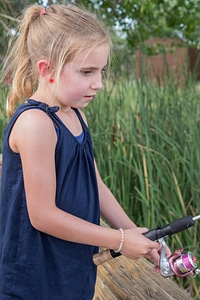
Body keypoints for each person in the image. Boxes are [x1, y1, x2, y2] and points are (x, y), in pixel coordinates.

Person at [0, 4, 168, 300]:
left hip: (71, 266)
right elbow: (42, 216)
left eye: (101, 71)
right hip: (34, 277)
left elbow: (96, 185)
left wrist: (137, 235)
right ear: (46, 69)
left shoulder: (76, 115)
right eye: (87, 71)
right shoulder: (35, 124)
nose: (99, 83)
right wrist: (118, 240)